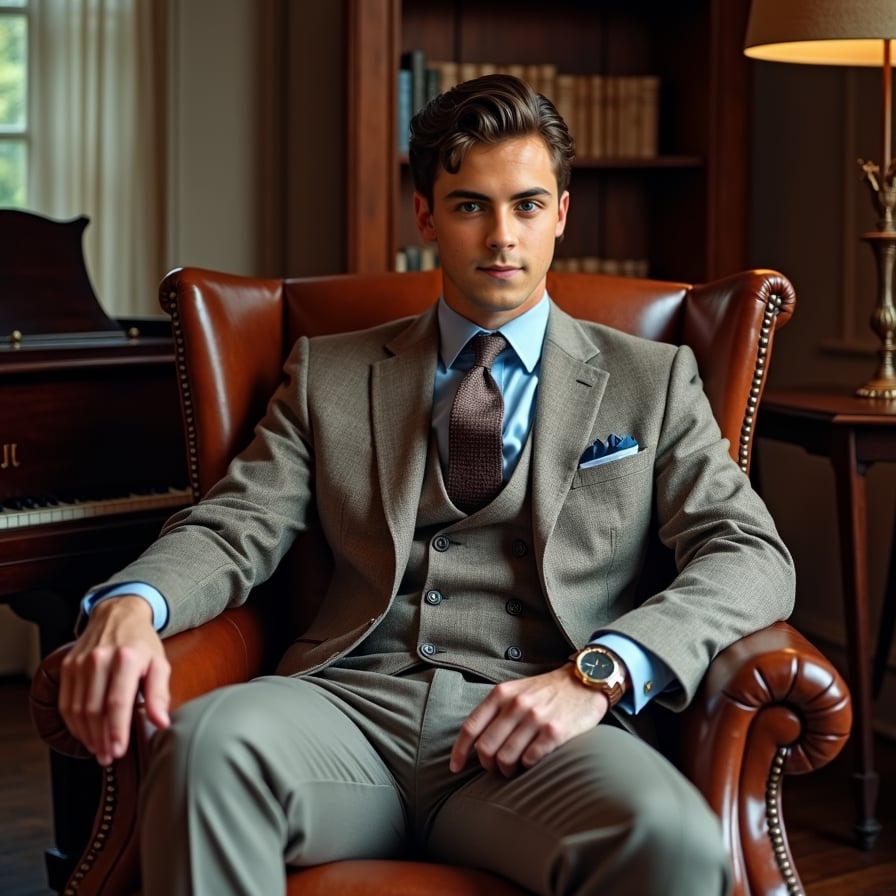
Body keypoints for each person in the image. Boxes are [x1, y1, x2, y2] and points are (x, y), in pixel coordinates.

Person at [59, 74, 795, 896]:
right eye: (471, 205)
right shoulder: (329, 373)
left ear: (560, 213)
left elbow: (752, 553)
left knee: (671, 837)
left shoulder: (652, 381)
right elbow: (235, 525)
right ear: (425, 216)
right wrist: (130, 604)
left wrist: (600, 671)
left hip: (541, 734)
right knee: (202, 746)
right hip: (346, 712)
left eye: (525, 204)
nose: (502, 237)